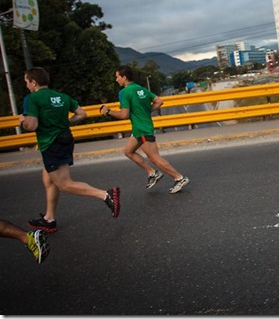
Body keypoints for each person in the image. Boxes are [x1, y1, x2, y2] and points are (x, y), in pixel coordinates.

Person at [21, 67, 120, 234]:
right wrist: (65, 123)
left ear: (33, 82)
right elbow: (82, 114)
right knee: (48, 178)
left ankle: (105, 195)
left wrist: (21, 122)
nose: (26, 85)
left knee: (64, 184)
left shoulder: (32, 98)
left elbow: (32, 125)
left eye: (26, 82)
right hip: (66, 139)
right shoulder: (62, 97)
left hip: (51, 143)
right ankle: (49, 219)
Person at [100, 65, 190, 194]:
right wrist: (147, 110)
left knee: (154, 157)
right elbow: (159, 101)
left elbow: (124, 115)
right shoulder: (140, 89)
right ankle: (152, 173)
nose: (116, 80)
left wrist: (108, 111)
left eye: (117, 77)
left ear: (124, 77)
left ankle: (179, 178)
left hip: (142, 129)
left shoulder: (124, 92)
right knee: (128, 151)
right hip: (140, 128)